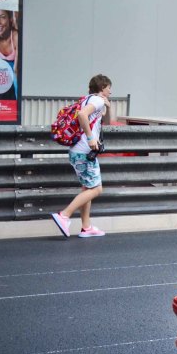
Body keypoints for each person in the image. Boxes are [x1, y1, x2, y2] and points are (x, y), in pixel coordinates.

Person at [51, 74, 112, 238]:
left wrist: (109, 107)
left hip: (77, 151)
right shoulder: (97, 101)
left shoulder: (89, 99)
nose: (110, 92)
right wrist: (91, 138)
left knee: (87, 188)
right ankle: (64, 215)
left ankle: (86, 227)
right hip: (85, 151)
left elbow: (106, 121)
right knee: (97, 189)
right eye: (109, 88)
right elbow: (82, 115)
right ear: (102, 88)